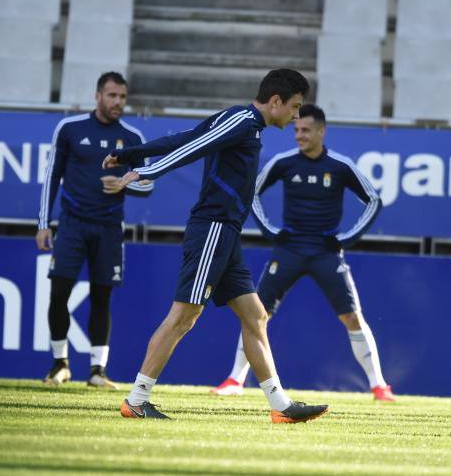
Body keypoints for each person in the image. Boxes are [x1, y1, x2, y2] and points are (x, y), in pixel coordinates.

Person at [102, 68, 329, 423]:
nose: (297, 116)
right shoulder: (241, 119)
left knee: (255, 316)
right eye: (295, 107)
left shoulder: (242, 121)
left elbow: (186, 136)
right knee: (183, 316)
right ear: (275, 102)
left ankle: (280, 406)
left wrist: (133, 153)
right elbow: (194, 146)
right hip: (212, 229)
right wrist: (148, 169)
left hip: (226, 235)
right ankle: (137, 398)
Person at [210, 104, 394, 401]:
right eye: (297, 130)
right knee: (257, 315)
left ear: (322, 131)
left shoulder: (340, 165)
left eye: (306, 130)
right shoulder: (284, 163)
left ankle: (379, 385)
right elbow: (252, 191)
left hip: (325, 252)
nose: (300, 135)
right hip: (288, 250)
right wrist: (270, 231)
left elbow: (373, 200)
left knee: (352, 317)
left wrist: (345, 238)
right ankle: (235, 379)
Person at [37, 72, 153, 388]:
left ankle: (97, 371)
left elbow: (149, 183)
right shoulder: (71, 129)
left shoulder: (131, 137)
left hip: (109, 228)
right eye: (112, 96)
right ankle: (60, 364)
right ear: (98, 95)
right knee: (59, 292)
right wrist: (44, 223)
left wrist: (124, 183)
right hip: (72, 225)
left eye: (122, 97)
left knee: (102, 296)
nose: (118, 102)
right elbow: (52, 176)